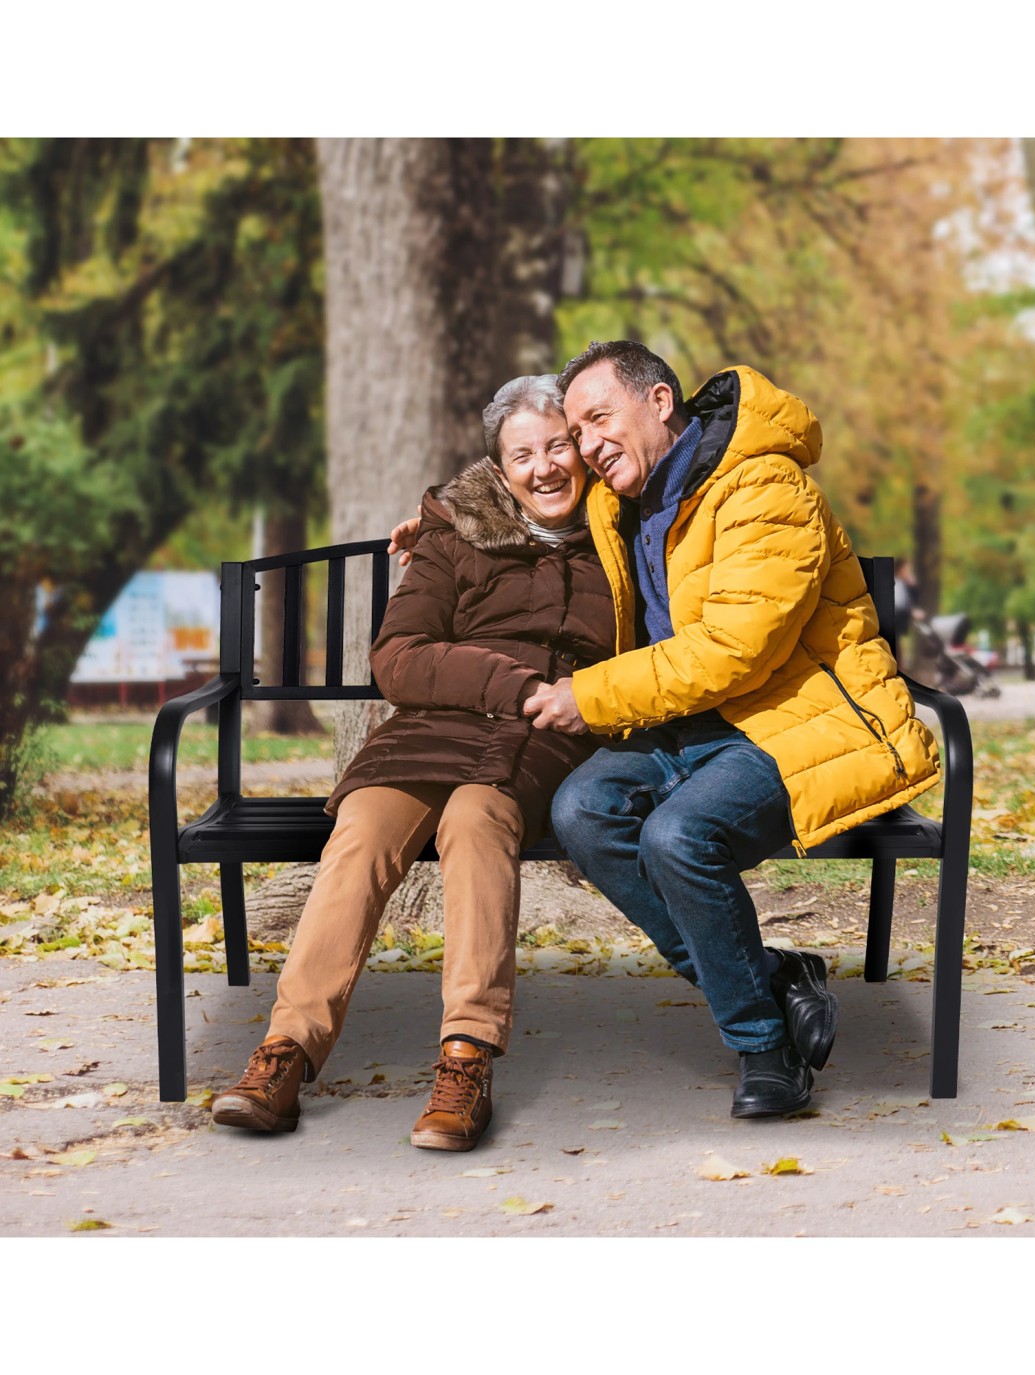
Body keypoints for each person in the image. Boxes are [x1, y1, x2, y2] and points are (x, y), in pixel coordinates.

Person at [522, 341, 941, 1118]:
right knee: (581, 809)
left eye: (598, 418)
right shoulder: (622, 501)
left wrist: (593, 695)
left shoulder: (765, 485)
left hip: (791, 723)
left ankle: (763, 1046)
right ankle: (774, 975)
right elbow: (522, 491)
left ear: (659, 401)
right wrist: (437, 519)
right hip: (687, 726)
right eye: (576, 432)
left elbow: (735, 651)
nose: (586, 445)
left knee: (676, 837)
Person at [210, 375, 616, 1151]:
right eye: (522, 454)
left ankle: (466, 1057)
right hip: (436, 723)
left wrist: (559, 696)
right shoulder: (457, 534)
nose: (544, 467)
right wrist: (510, 680)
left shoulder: (621, 534)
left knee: (478, 818)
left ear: (581, 449)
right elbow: (398, 656)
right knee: (362, 826)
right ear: (500, 470)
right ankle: (283, 1053)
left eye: (557, 446)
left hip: (542, 730)